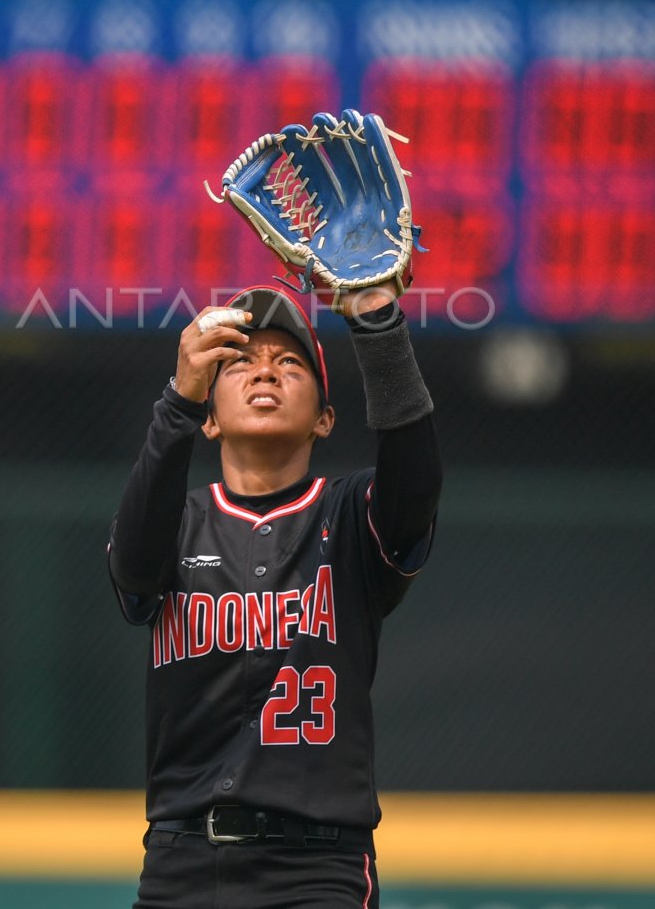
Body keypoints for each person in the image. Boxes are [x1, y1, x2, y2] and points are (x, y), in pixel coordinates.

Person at [108, 278, 442, 909]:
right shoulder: (171, 523)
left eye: (290, 361)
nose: (266, 371)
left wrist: (377, 322)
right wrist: (179, 396)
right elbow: (132, 569)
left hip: (316, 870)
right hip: (181, 866)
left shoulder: (350, 517)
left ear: (325, 417)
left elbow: (415, 474)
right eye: (241, 361)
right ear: (208, 419)